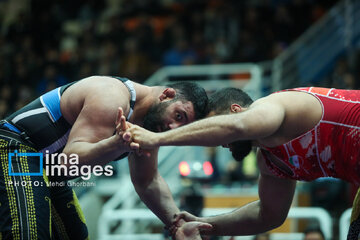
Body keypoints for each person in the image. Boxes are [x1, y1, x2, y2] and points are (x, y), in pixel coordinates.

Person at [122, 87, 360, 240]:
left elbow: (238, 126)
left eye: (217, 128)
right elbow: (268, 215)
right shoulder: (270, 162)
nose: (222, 143)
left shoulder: (274, 105)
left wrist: (158, 139)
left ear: (236, 109)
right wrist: (204, 224)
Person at [0, 75, 208, 239]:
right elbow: (67, 163)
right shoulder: (112, 97)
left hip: (47, 169)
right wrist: (115, 145)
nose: (172, 128)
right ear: (167, 94)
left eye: (182, 126)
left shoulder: (151, 126)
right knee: (29, 234)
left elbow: (148, 181)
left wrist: (178, 225)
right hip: (15, 146)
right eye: (178, 116)